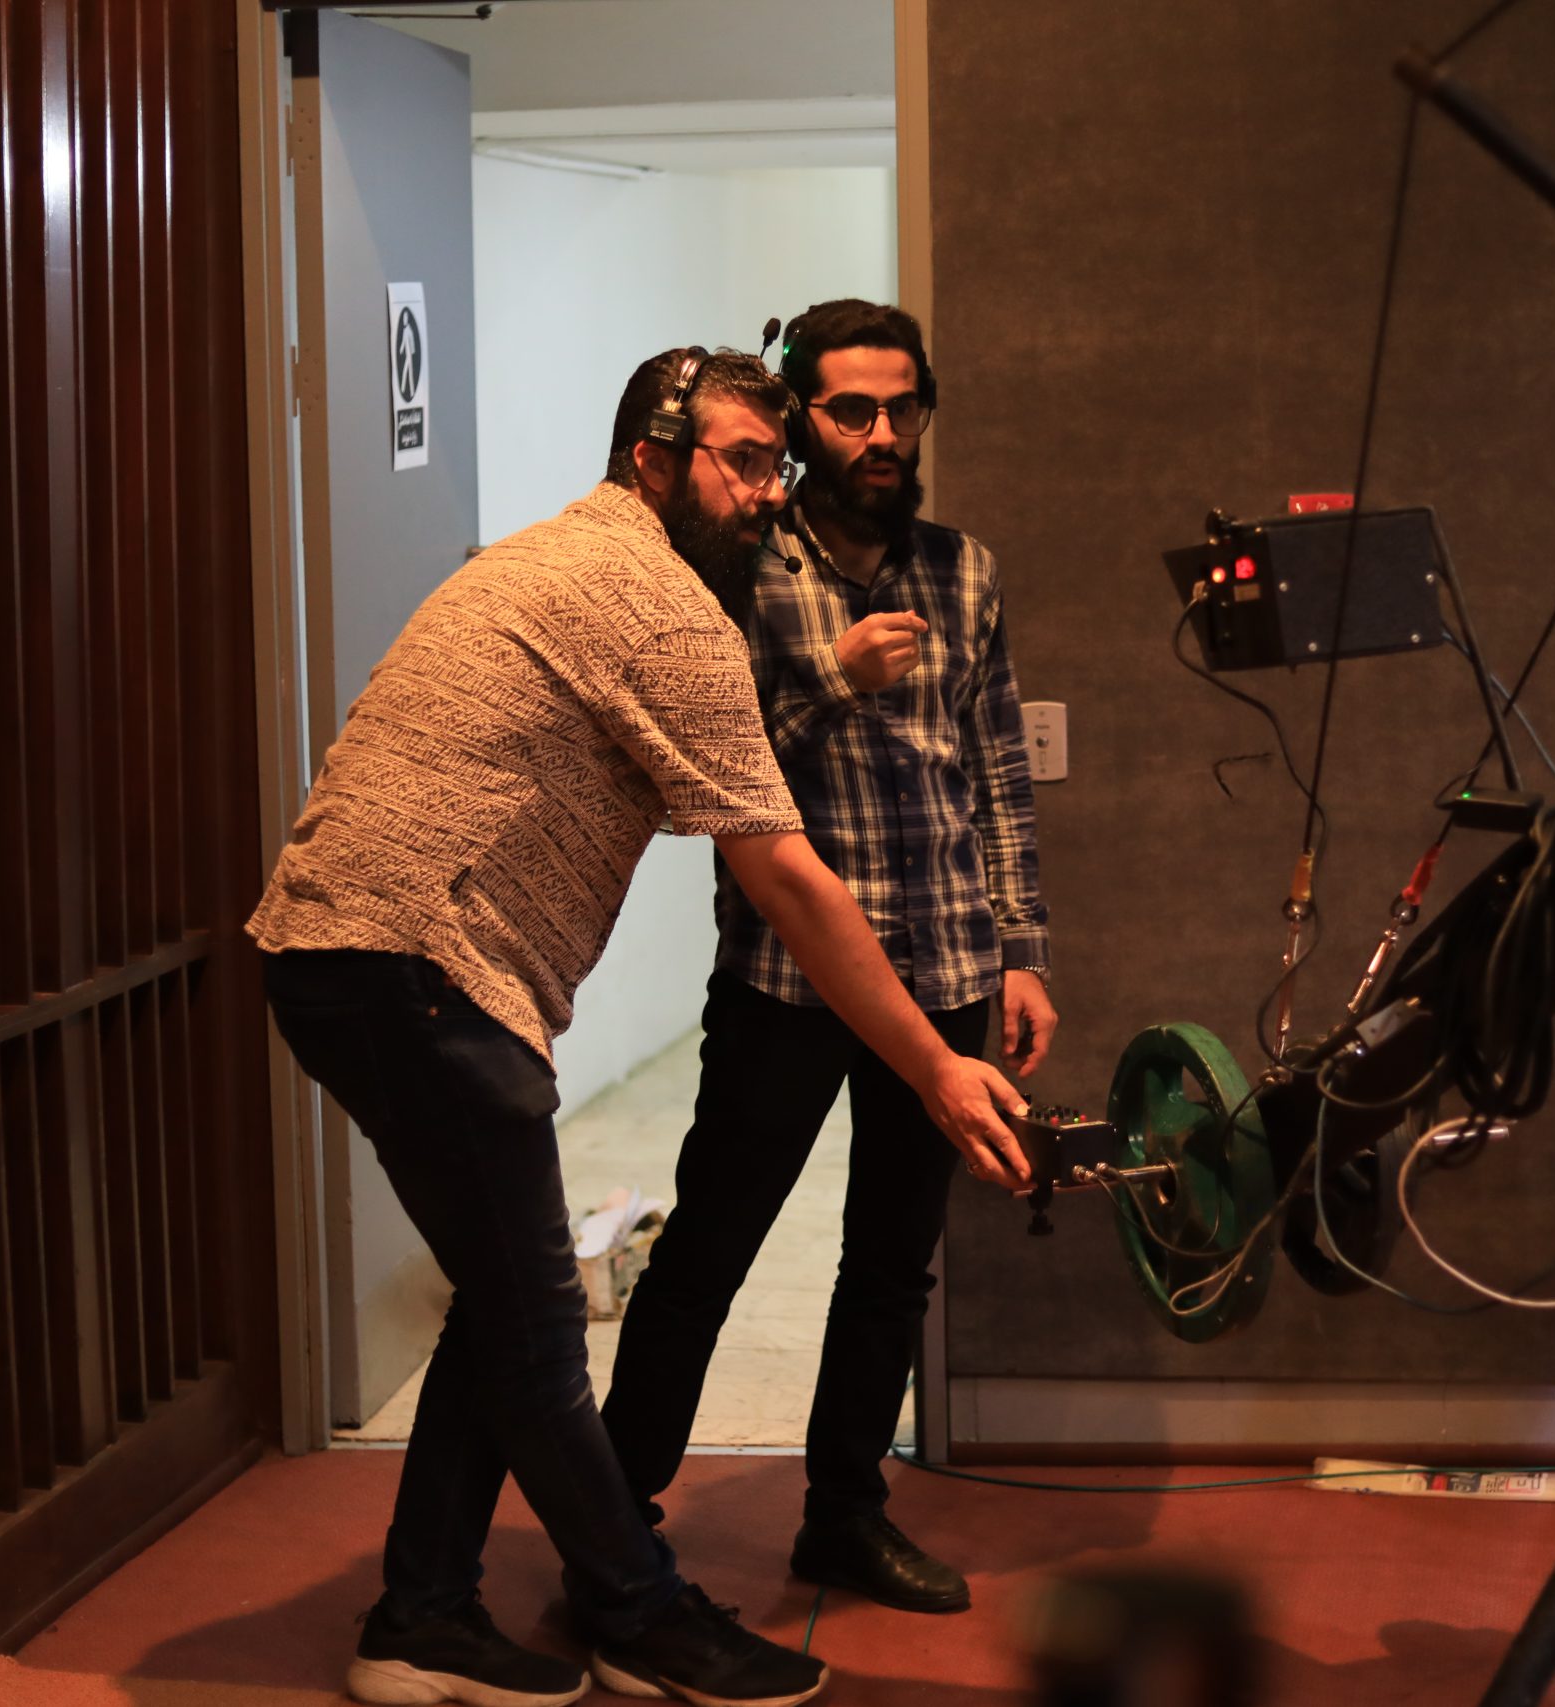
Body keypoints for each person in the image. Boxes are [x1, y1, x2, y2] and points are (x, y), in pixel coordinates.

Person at [249, 346, 1034, 1707]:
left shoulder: (551, 556)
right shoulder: (660, 603)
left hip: (355, 955)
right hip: (418, 962)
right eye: (744, 462)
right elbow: (785, 873)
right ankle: (641, 1612)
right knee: (540, 1325)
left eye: (776, 466)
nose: (768, 492)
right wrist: (934, 1067)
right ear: (654, 459)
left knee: (500, 1305)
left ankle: (421, 1615)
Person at [603, 301, 1055, 1616]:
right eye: (851, 409)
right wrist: (834, 682)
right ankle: (613, 1525)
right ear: (802, 422)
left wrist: (1022, 952)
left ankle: (845, 1516)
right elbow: (700, 767)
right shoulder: (735, 566)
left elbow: (999, 771)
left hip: (949, 967)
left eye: (901, 407)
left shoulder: (963, 571)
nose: (881, 433)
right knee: (709, 1250)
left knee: (893, 1262)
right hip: (786, 982)